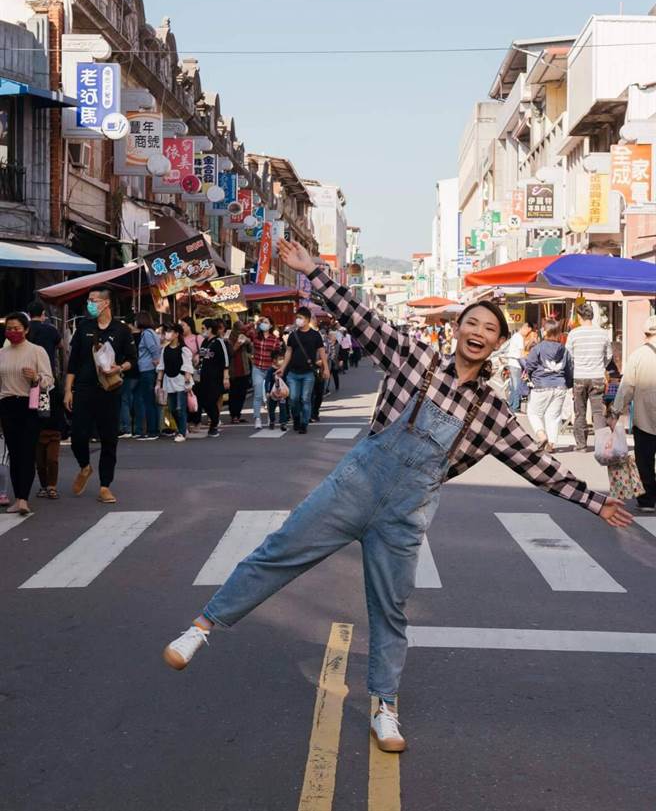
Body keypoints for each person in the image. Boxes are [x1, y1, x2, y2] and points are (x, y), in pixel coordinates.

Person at [163, 239, 632, 755]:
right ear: (457, 330)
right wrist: (315, 272)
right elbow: (361, 318)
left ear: (498, 344)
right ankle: (202, 627)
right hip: (353, 488)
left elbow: (535, 464)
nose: (478, 334)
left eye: (490, 330)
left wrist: (592, 500)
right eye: (472, 324)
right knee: (279, 552)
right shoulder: (414, 357)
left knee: (390, 610)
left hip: (404, 517)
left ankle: (384, 705)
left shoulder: (494, 411)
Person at [64, 288, 137, 504]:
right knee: (77, 436)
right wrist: (68, 389)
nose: (90, 304)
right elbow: (73, 362)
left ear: (106, 303)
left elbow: (132, 360)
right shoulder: (84, 327)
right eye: (89, 300)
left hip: (109, 391)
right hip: (84, 389)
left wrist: (119, 368)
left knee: (108, 440)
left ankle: (105, 486)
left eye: (93, 301)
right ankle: (85, 466)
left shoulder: (121, 330)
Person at [0, 312, 53, 515]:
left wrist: (36, 377)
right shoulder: (2, 353)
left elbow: (49, 380)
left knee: (27, 452)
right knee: (14, 453)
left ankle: (23, 499)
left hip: (29, 404)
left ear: (26, 329)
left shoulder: (36, 351)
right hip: (7, 405)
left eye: (16, 328)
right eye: (9, 328)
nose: (13, 332)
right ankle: (18, 497)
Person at [612, 316, 656, 512]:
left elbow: (627, 387)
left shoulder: (637, 355)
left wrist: (616, 411)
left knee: (644, 459)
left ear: (645, 334)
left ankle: (647, 499)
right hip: (645, 416)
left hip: (645, 417)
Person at [565, 303, 612, 451]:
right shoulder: (603, 333)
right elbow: (609, 355)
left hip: (579, 376)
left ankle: (581, 445)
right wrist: (601, 364)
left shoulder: (574, 334)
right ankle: (601, 445)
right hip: (597, 376)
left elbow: (569, 356)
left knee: (580, 412)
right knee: (598, 412)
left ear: (579, 317)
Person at [525, 319, 573, 453]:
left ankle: (542, 436)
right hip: (560, 386)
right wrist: (569, 384)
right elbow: (569, 368)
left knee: (533, 412)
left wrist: (529, 376)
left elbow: (530, 365)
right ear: (558, 333)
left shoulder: (538, 348)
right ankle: (551, 444)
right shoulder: (564, 350)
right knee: (553, 416)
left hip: (541, 385)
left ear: (544, 331)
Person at [281, 306, 330, 434]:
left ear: (307, 320)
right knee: (293, 399)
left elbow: (322, 351)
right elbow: (288, 352)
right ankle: (296, 418)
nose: (298, 320)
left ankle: (304, 423)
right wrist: (282, 368)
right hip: (293, 373)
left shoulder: (315, 335)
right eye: (297, 318)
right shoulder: (293, 335)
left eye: (300, 318)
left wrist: (326, 368)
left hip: (308, 373)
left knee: (305, 399)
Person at [156, 323, 194, 442]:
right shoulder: (165, 350)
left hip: (181, 381)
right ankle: (182, 427)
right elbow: (161, 367)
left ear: (177, 334)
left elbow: (187, 366)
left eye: (171, 331)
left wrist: (188, 382)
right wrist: (158, 383)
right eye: (167, 331)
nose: (168, 334)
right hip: (169, 381)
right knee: (172, 408)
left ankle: (181, 432)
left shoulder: (184, 349)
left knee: (180, 408)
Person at [198, 319, 231, 437]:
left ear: (210, 329)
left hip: (216, 378)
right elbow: (201, 359)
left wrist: (226, 377)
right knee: (204, 401)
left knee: (211, 401)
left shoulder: (219, 342)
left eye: (203, 328)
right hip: (203, 377)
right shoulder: (204, 342)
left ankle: (214, 424)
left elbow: (225, 360)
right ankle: (213, 421)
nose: (202, 331)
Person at [35, 381, 66, 500]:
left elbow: (63, 408)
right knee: (40, 462)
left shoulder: (56, 390)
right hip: (38, 431)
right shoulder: (33, 389)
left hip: (54, 430)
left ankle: (52, 486)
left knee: (52, 459)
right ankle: (43, 485)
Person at [134, 312, 161, 440]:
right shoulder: (152, 333)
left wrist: (156, 361)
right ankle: (153, 429)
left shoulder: (147, 334)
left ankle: (152, 430)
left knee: (148, 401)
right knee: (150, 400)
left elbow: (154, 349)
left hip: (147, 369)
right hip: (150, 369)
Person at [248, 315, 278, 429]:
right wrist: (255, 322)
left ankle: (270, 416)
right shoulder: (255, 336)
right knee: (258, 394)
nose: (263, 324)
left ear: (270, 325)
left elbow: (277, 355)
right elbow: (244, 331)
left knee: (270, 394)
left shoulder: (275, 339)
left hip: (270, 369)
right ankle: (257, 418)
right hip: (257, 368)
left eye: (266, 322)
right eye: (262, 322)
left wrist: (277, 368)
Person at [26, 300, 63, 379]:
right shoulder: (51, 329)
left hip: (27, 370)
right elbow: (61, 344)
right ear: (43, 313)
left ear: (29, 314)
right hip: (47, 370)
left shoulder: (24, 329)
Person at [180, 317, 204, 432]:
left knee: (195, 395)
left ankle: (196, 421)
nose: (181, 327)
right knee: (184, 397)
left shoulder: (197, 338)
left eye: (183, 325)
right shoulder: (179, 339)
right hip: (182, 372)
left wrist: (198, 356)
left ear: (189, 326)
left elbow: (206, 351)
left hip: (195, 371)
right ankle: (187, 422)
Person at [119, 318, 141, 438]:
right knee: (136, 401)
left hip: (129, 373)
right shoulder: (143, 335)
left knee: (125, 400)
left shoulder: (128, 337)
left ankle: (126, 429)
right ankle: (138, 429)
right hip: (139, 372)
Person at [228, 322, 253, 424]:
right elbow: (229, 353)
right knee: (233, 394)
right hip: (232, 371)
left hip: (244, 370)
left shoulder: (244, 337)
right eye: (239, 330)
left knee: (242, 394)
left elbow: (251, 350)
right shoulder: (229, 338)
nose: (240, 332)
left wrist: (248, 342)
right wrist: (236, 346)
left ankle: (237, 415)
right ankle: (234, 415)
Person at [503, 321, 531, 413]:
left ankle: (511, 404)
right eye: (528, 331)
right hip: (516, 364)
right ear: (526, 327)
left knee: (513, 385)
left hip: (512, 363)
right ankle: (515, 406)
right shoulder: (519, 337)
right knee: (516, 386)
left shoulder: (515, 336)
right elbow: (522, 353)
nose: (528, 333)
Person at [264, 349, 289, 431]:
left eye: (283, 359)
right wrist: (267, 391)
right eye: (280, 359)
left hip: (282, 393)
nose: (282, 361)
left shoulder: (283, 369)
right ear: (274, 360)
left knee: (283, 407)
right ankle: (272, 421)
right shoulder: (270, 370)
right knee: (271, 408)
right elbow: (267, 381)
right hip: (273, 393)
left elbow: (286, 380)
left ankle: (283, 423)